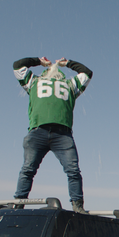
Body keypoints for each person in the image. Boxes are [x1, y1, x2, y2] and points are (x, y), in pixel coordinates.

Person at [12, 56, 93, 213]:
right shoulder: (36, 82)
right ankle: (18, 203)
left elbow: (87, 72)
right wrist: (40, 61)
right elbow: (17, 65)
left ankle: (78, 205)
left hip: (61, 134)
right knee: (28, 169)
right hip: (39, 131)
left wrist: (66, 63)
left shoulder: (65, 85)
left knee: (73, 170)